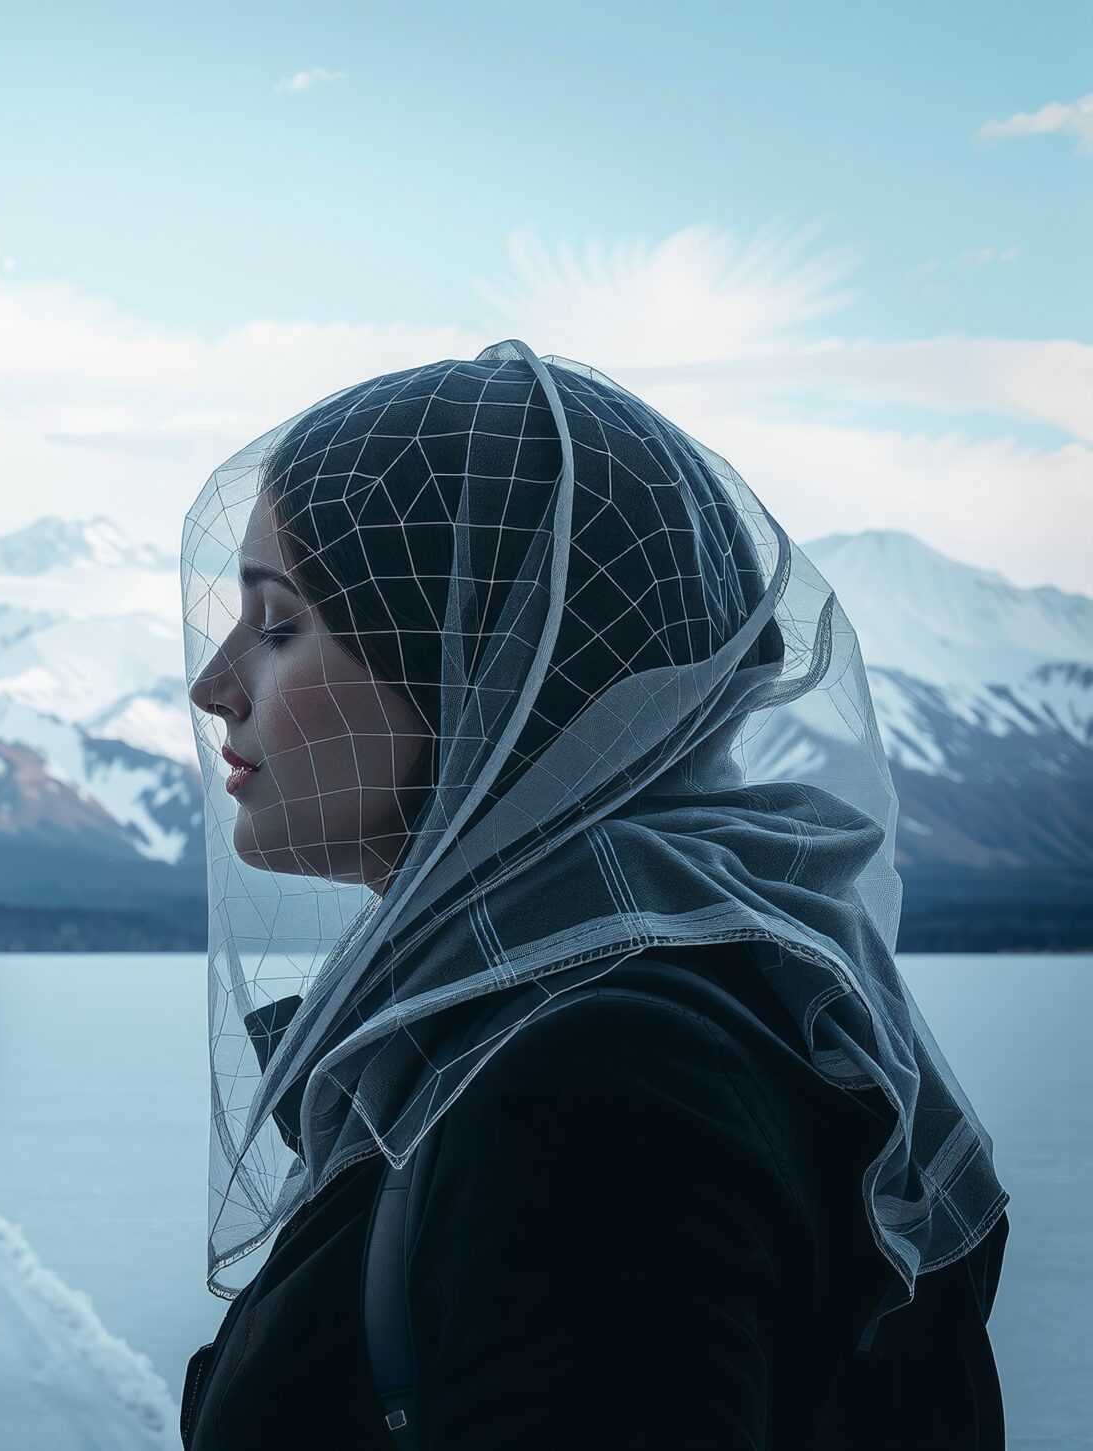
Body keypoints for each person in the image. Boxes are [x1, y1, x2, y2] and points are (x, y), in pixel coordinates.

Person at [176, 342, 1010, 1449]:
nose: (213, 684)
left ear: (474, 660)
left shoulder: (596, 1094)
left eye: (280, 624)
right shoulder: (594, 1006)